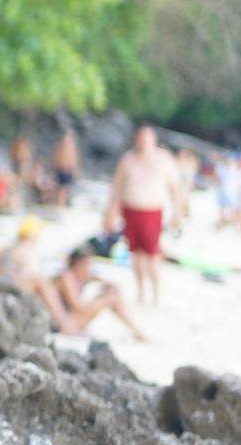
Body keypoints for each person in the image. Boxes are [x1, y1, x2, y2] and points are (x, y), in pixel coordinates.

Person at [104, 124, 180, 306]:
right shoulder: (128, 160)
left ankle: (156, 293)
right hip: (130, 211)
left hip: (152, 212)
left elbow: (175, 190)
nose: (144, 142)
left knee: (153, 254)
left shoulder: (163, 160)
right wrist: (109, 215)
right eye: (141, 138)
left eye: (147, 138)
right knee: (136, 255)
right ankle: (141, 292)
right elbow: (116, 189)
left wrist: (177, 213)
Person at [51, 247, 147, 340]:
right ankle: (138, 332)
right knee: (110, 298)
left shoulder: (80, 277)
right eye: (87, 265)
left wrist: (108, 287)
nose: (88, 269)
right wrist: (99, 300)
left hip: (70, 319)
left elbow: (104, 280)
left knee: (113, 295)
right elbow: (78, 306)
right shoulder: (66, 277)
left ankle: (136, 330)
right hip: (65, 323)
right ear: (78, 264)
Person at [50, 128, 80, 208]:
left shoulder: (63, 146)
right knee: (62, 189)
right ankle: (60, 205)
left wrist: (75, 171)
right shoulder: (66, 146)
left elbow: (74, 160)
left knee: (62, 188)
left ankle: (61, 204)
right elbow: (72, 160)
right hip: (63, 169)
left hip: (64, 169)